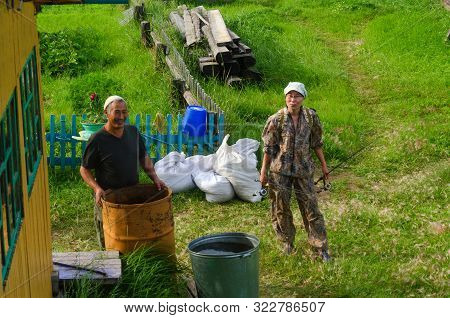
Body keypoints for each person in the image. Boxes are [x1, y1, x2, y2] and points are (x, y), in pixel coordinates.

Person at [80, 95, 165, 247]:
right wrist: (97, 188)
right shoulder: (97, 139)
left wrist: (155, 178)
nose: (121, 117)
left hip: (133, 195)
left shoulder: (133, 132)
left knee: (133, 233)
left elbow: (143, 157)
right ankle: (109, 265)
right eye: (117, 112)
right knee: (110, 238)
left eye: (124, 112)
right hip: (109, 198)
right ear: (106, 113)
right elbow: (84, 169)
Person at [260, 82, 331, 261]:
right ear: (285, 98)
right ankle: (287, 242)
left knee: (312, 209)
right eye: (290, 96)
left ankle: (319, 247)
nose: (293, 99)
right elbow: (268, 149)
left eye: (297, 96)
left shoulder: (311, 117)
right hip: (279, 172)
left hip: (304, 170)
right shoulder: (276, 119)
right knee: (280, 208)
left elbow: (316, 143)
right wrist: (263, 172)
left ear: (303, 98)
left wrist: (324, 166)